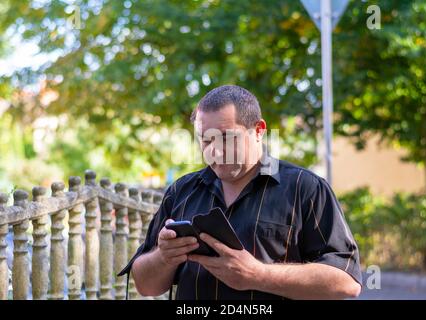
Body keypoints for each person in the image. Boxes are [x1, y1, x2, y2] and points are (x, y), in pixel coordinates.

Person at [118, 85, 362, 299]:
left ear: (259, 130)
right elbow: (145, 285)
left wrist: (257, 275)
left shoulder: (306, 188)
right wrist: (164, 256)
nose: (215, 151)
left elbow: (346, 282)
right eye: (206, 140)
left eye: (226, 138)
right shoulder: (182, 191)